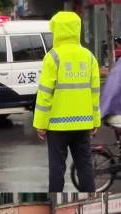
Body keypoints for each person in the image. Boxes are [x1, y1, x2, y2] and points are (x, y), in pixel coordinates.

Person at [33, 11, 100, 192]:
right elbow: (95, 92)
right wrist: (95, 120)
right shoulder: (89, 56)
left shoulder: (53, 57)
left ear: (58, 31)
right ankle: (91, 198)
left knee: (57, 169)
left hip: (57, 126)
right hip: (83, 123)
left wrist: (40, 124)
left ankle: (55, 197)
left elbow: (45, 93)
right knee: (85, 167)